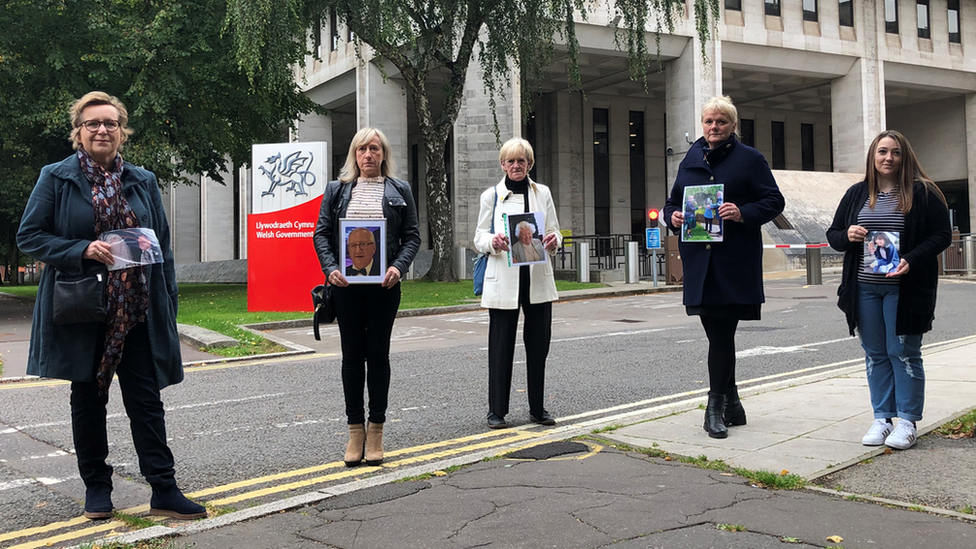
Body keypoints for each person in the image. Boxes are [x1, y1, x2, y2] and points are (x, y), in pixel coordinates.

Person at [16, 91, 206, 520]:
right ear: (78, 133)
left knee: (146, 400)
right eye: (92, 124)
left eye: (110, 123)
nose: (102, 130)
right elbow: (30, 237)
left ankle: (164, 487)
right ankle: (97, 490)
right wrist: (83, 248)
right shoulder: (56, 177)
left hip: (137, 308)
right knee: (87, 399)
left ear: (122, 131)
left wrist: (169, 303)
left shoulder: (143, 180)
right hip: (84, 309)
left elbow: (163, 247)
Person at [663, 95, 785, 439]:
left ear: (733, 126)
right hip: (699, 260)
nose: (713, 127)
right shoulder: (691, 157)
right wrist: (672, 215)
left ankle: (714, 408)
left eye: (720, 122)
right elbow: (674, 200)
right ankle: (733, 403)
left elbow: (774, 201)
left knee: (720, 334)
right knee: (717, 333)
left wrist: (742, 212)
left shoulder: (750, 159)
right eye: (708, 122)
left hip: (733, 261)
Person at [826, 130, 951, 450]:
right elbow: (834, 234)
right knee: (875, 353)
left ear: (904, 156)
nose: (888, 158)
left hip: (904, 288)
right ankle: (882, 418)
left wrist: (912, 258)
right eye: (882, 152)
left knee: (903, 352)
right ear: (873, 156)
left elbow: (941, 236)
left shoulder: (923, 193)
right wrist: (848, 235)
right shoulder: (856, 193)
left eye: (895, 152)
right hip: (865, 287)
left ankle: (907, 421)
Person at [313, 127, 420, 467]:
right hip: (345, 289)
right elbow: (321, 234)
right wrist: (330, 267)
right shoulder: (337, 190)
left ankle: (376, 431)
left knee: (378, 356)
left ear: (384, 154)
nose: (368, 155)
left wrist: (399, 267)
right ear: (354, 155)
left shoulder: (399, 190)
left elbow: (412, 236)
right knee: (351, 357)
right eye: (362, 150)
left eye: (374, 149)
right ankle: (354, 431)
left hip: (384, 289)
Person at [473, 137, 562, 429]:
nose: (516, 166)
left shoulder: (543, 193)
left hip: (536, 280)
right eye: (510, 161)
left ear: (529, 164)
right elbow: (478, 238)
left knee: (539, 347)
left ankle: (537, 408)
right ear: (502, 165)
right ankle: (496, 411)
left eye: (521, 161)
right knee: (501, 348)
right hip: (504, 281)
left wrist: (553, 241)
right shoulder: (491, 196)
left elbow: (554, 232)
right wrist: (494, 242)